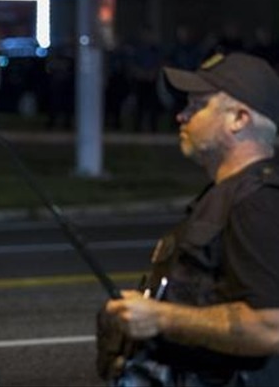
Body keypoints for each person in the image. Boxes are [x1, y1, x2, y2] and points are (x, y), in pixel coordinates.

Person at [104, 52, 279, 386]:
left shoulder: (258, 202)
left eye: (198, 106)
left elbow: (270, 326)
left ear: (239, 119)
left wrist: (162, 318)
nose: (181, 116)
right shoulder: (225, 194)